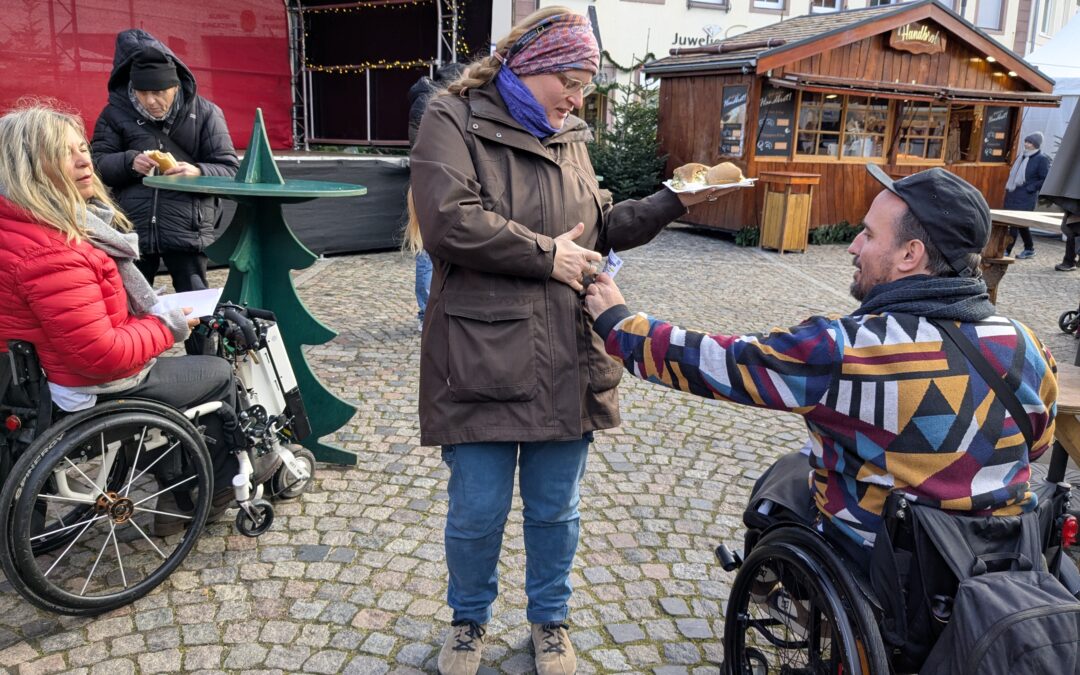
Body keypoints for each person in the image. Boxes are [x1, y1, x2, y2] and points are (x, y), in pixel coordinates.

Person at [408, 7, 725, 675]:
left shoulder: (569, 132)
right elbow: (448, 221)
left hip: (563, 350)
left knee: (557, 510)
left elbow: (598, 225)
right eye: (574, 80)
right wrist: (547, 255)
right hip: (479, 352)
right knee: (477, 513)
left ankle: (550, 620)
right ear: (533, 66)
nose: (581, 98)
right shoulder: (452, 118)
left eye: (586, 84)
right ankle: (468, 621)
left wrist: (673, 200)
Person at [585, 165, 1058, 569]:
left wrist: (617, 324)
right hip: (999, 561)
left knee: (788, 479)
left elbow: (724, 363)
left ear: (910, 255)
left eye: (869, 234)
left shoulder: (849, 349)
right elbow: (1035, 448)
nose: (853, 246)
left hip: (885, 563)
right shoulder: (1028, 345)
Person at [0, 104, 241, 530]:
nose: (83, 161)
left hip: (31, 379)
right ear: (29, 169)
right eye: (64, 153)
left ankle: (172, 477)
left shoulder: (19, 228)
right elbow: (103, 355)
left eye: (82, 148)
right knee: (217, 372)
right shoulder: (56, 251)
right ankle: (207, 494)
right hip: (85, 383)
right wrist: (166, 325)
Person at [91, 29, 239, 293]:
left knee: (196, 305)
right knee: (130, 306)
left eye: (159, 92)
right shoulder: (114, 114)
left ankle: (199, 338)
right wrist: (129, 162)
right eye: (142, 92)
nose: (150, 101)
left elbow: (231, 170)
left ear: (175, 86)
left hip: (187, 227)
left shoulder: (206, 113)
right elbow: (96, 166)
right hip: (131, 227)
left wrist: (198, 171)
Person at [407, 62, 466, 332]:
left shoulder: (432, 103)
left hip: (433, 180)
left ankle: (431, 310)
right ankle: (425, 312)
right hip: (431, 182)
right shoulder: (431, 105)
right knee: (426, 249)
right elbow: (428, 148)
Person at [1002, 131, 1051, 259]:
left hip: (1026, 197)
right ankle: (1029, 249)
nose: (1026, 144)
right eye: (1026, 141)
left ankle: (1006, 250)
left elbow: (1044, 178)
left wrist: (1030, 188)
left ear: (1036, 145)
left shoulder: (1042, 159)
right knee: (1021, 225)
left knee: (1014, 223)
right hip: (1013, 193)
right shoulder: (1022, 156)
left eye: (1030, 142)